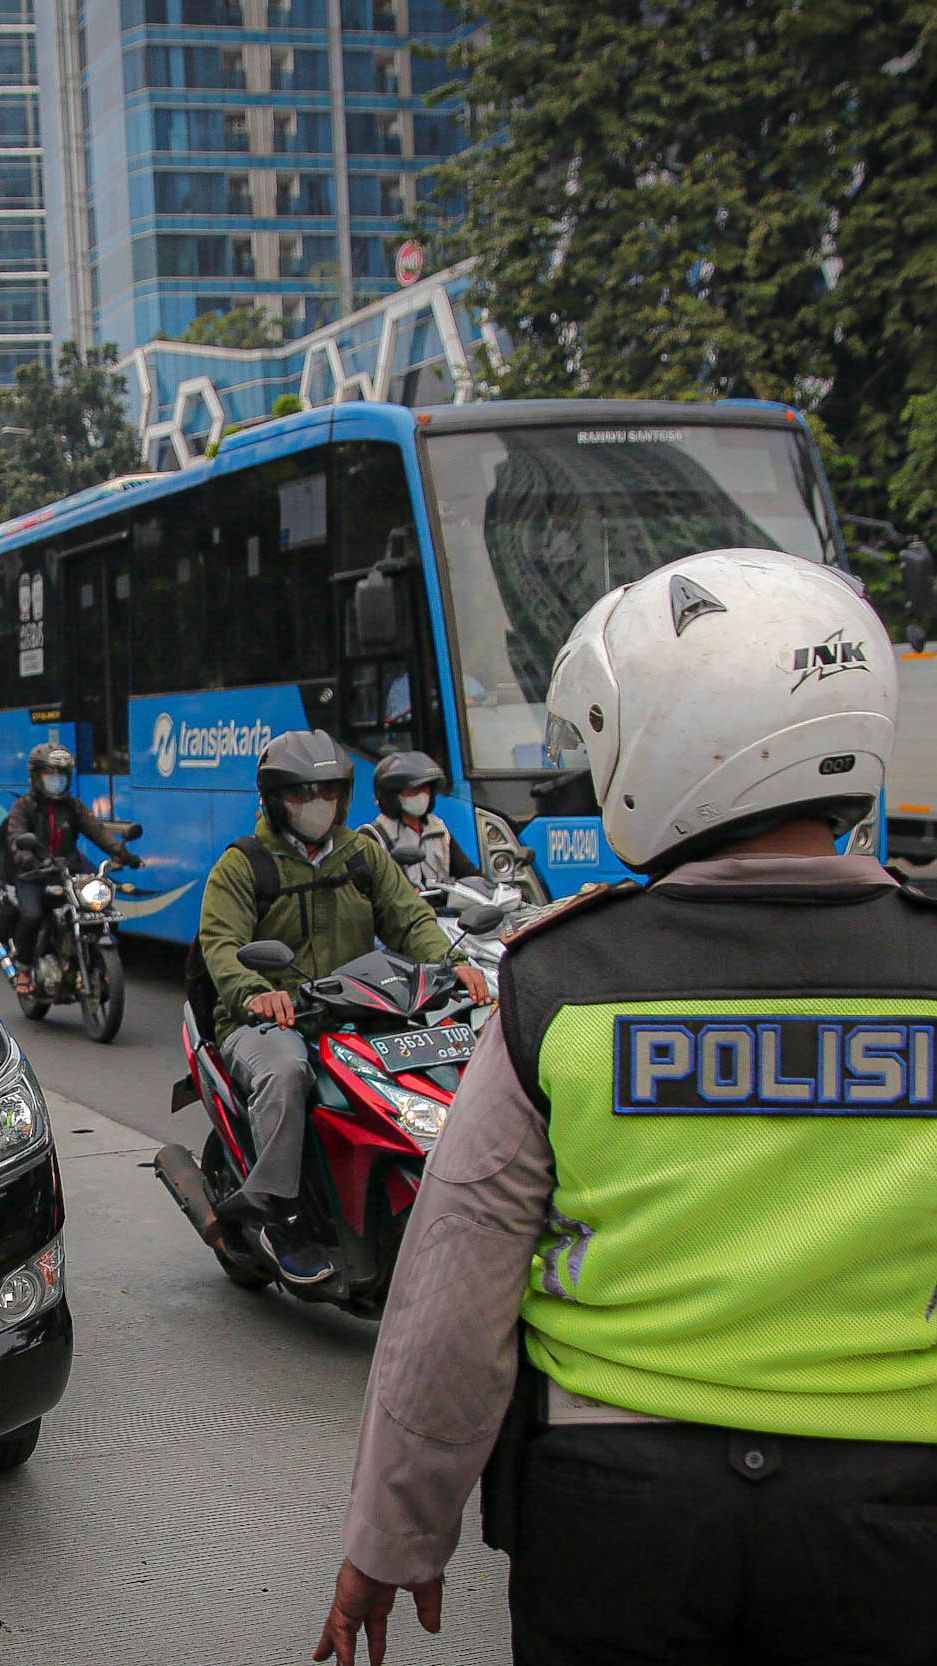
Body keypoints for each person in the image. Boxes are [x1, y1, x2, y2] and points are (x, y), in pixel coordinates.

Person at [316, 549, 937, 1666]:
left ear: (662, 745)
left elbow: (452, 1307)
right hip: (896, 1515)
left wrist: (392, 1538)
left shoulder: (562, 987)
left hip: (615, 1516)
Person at [198, 728, 488, 1288]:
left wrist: (455, 965)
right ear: (275, 799)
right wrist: (256, 992)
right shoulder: (243, 866)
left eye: (327, 791)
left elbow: (410, 919)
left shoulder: (361, 855)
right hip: (268, 1020)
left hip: (356, 1008)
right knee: (287, 1073)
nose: (316, 805)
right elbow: (221, 947)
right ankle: (280, 1216)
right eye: (302, 794)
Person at [7, 743, 143, 996]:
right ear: (36, 776)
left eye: (62, 775)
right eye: (50, 774)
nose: (56, 780)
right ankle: (24, 967)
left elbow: (98, 831)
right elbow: (16, 838)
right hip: (34, 873)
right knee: (33, 915)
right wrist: (29, 858)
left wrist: (124, 855)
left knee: (104, 905)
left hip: (70, 868)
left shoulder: (73, 806)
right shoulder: (24, 807)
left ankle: (97, 963)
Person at [361, 750, 482, 893]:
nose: (421, 795)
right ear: (392, 795)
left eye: (425, 789)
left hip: (442, 913)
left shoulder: (438, 828)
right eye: (413, 790)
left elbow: (468, 872)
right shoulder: (373, 835)